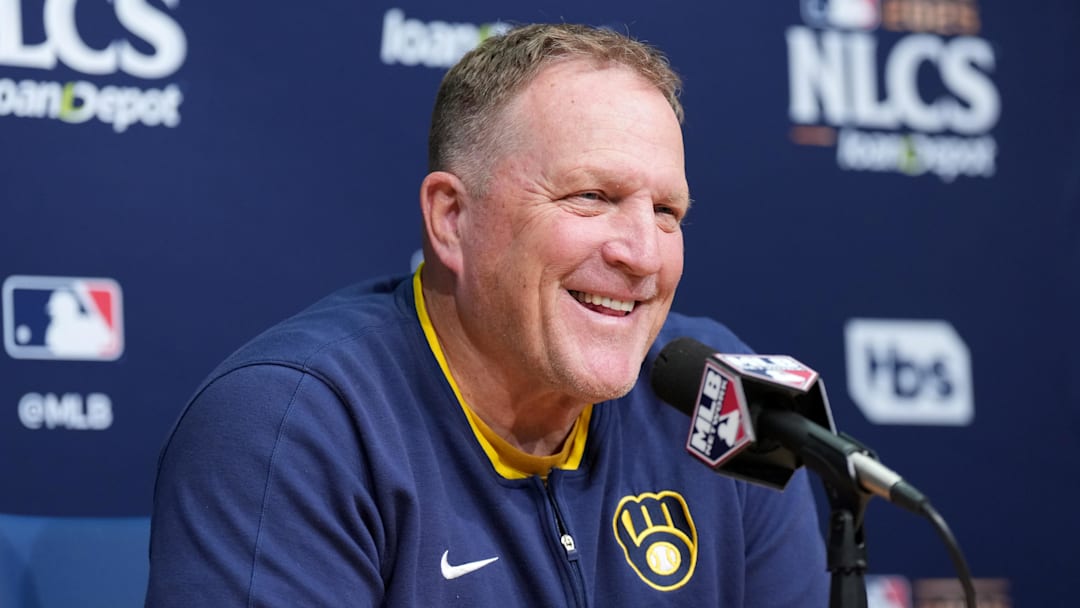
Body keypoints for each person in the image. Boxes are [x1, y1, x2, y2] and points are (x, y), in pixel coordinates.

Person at [145, 23, 829, 607]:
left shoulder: (723, 400)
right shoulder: (291, 425)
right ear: (452, 219)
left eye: (666, 213)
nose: (643, 255)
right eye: (591, 196)